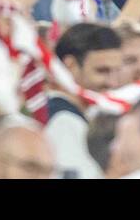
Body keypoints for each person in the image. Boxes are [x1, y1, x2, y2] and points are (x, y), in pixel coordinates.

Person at [47, 23, 123, 179]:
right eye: (102, 71)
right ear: (71, 65)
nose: (113, 83)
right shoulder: (63, 122)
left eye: (117, 71)